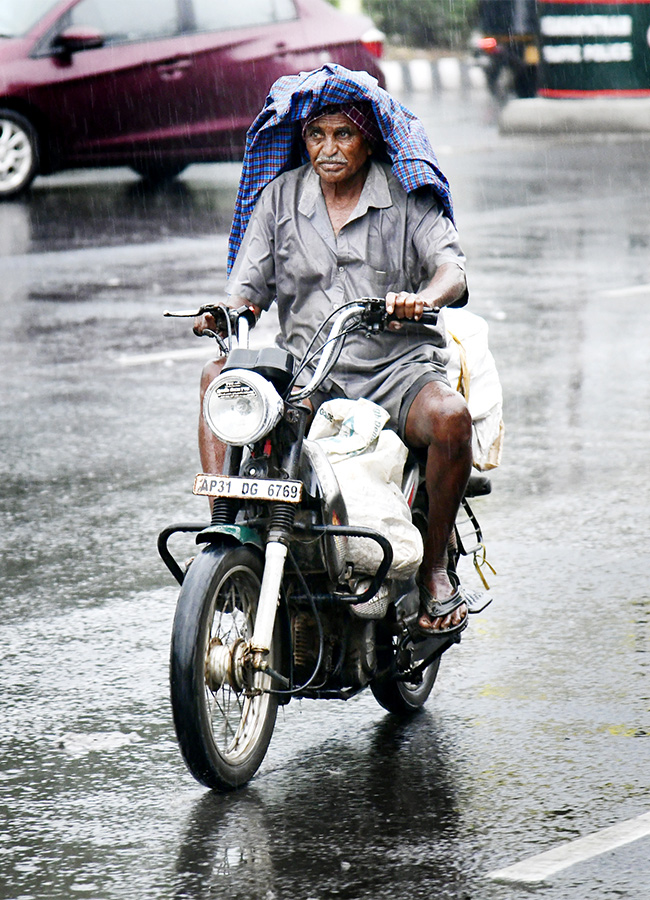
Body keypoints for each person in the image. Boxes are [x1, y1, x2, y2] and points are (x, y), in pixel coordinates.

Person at [194, 66, 473, 636]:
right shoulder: (279, 197)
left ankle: (436, 570)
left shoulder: (406, 197)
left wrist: (421, 298)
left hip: (396, 370)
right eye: (316, 135)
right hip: (308, 370)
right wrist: (230, 311)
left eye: (342, 134)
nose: (328, 149)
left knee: (450, 418)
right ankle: (223, 535)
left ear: (367, 138)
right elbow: (247, 289)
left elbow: (452, 270)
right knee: (219, 375)